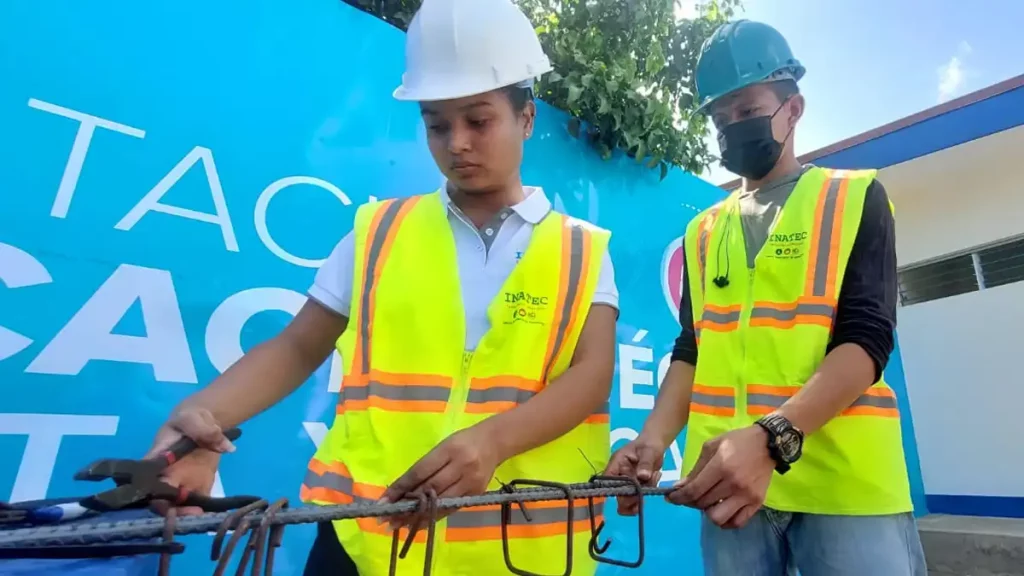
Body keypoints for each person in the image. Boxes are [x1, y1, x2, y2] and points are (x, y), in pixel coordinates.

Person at [143, 0, 619, 574]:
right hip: (366, 538)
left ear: (526, 117)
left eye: (478, 119)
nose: (457, 143)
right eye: (437, 124)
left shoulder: (582, 248)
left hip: (518, 550)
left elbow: (590, 378)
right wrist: (200, 413)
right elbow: (297, 347)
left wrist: (493, 442)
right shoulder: (378, 233)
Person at [605, 19, 927, 576]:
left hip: (842, 489)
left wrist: (771, 439)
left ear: (792, 108)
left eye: (747, 110)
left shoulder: (854, 198)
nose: (732, 127)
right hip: (727, 492)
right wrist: (653, 440)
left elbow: (867, 339)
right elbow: (692, 350)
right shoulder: (701, 233)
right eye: (720, 117)